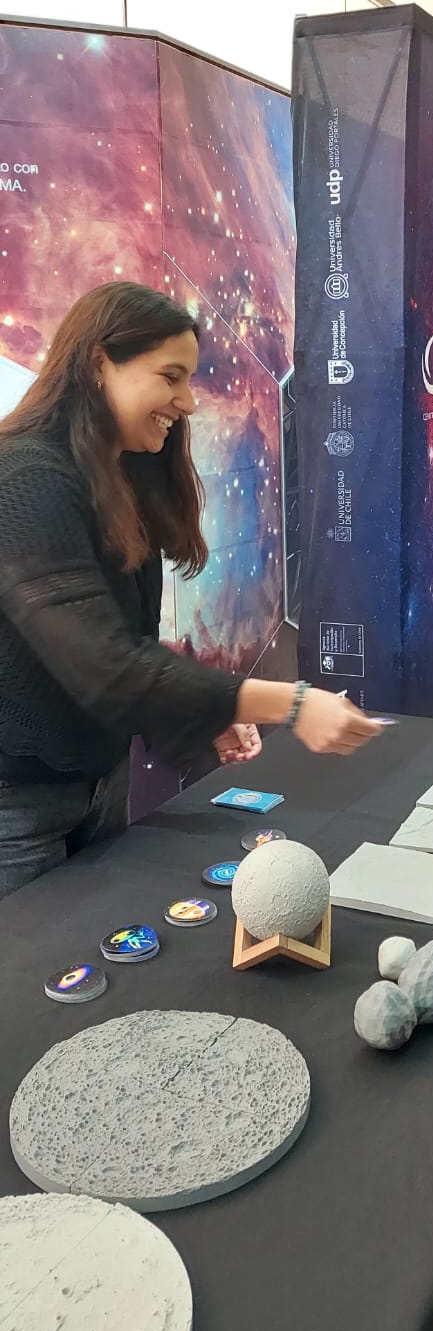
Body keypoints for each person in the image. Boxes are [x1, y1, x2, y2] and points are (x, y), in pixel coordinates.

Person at [0, 281, 380, 900]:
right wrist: (290, 704)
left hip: (99, 782)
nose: (188, 402)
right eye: (170, 377)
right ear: (98, 364)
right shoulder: (22, 479)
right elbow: (106, 669)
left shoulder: (118, 477)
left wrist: (204, 715)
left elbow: (126, 645)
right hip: (16, 808)